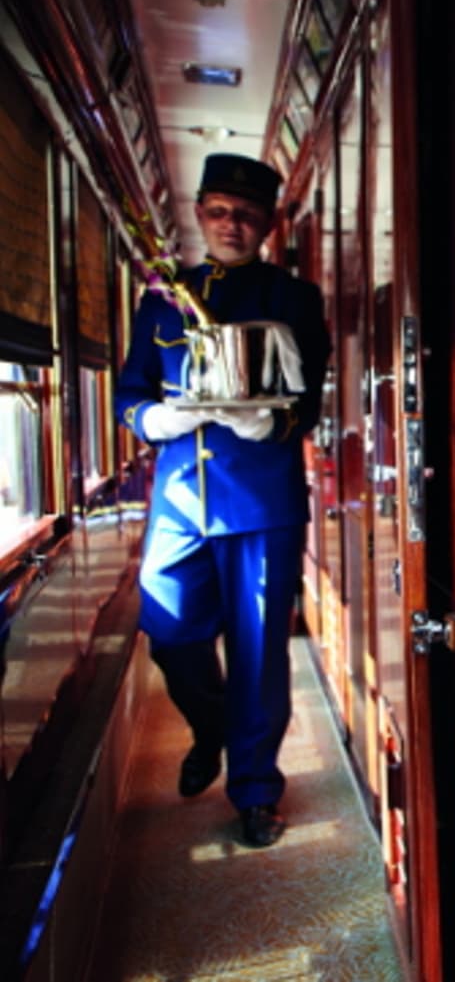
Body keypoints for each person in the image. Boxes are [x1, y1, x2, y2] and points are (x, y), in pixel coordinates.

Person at [114, 153, 330, 848]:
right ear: (199, 212)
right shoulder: (164, 297)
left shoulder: (293, 299)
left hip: (263, 498)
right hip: (181, 496)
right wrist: (155, 421)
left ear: (267, 223)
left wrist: (271, 421)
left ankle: (256, 789)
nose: (232, 224)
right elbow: (130, 393)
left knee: (259, 650)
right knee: (170, 627)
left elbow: (310, 400)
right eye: (219, 211)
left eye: (247, 214)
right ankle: (210, 727)